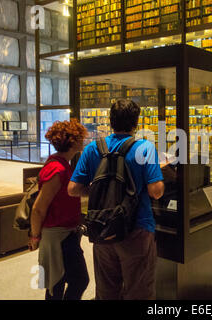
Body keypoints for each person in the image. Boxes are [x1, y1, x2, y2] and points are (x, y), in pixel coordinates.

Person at [68, 99, 165, 300]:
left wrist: (96, 192)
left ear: (111, 121)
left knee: (106, 291)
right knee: (139, 290)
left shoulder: (93, 149)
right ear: (135, 123)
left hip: (102, 229)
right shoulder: (144, 148)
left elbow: (73, 189)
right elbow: (156, 191)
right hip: (137, 229)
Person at [29, 119, 89, 300]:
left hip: (64, 233)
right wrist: (35, 236)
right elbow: (39, 208)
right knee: (74, 281)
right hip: (58, 236)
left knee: (59, 283)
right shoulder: (57, 169)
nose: (83, 141)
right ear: (72, 141)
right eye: (81, 138)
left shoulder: (62, 164)